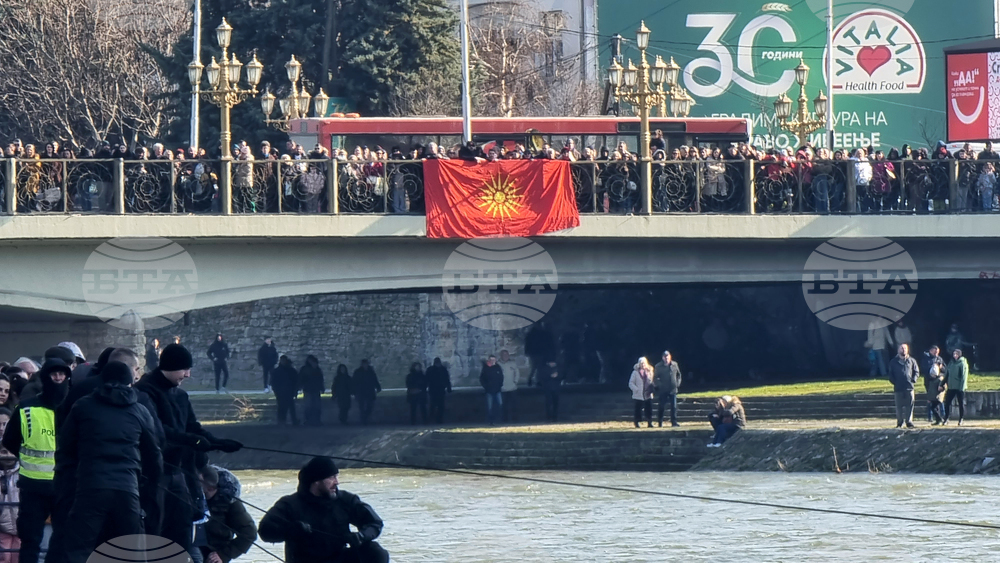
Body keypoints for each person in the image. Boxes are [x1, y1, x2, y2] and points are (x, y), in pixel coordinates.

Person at [134, 344, 243, 554]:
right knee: (155, 526)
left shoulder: (181, 396)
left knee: (182, 525)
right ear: (170, 367)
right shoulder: (145, 392)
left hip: (180, 470)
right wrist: (193, 440)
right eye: (184, 369)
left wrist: (217, 442)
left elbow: (193, 427)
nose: (188, 374)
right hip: (155, 472)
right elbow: (157, 430)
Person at [56, 362, 163, 563]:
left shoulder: (83, 406)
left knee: (78, 550)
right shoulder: (140, 411)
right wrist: (149, 487)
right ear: (130, 383)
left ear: (102, 380)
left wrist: (66, 484)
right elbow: (154, 455)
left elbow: (65, 449)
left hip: (90, 487)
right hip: (128, 489)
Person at [1, 359, 70, 563]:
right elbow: (10, 440)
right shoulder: (26, 408)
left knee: (61, 540)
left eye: (62, 374)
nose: (58, 378)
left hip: (62, 486)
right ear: (46, 376)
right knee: (31, 541)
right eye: (54, 374)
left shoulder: (73, 407)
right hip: (35, 486)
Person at [259, 456, 389, 563]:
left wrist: (361, 536)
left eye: (336, 477)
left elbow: (375, 523)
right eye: (331, 478)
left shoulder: (345, 500)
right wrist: (290, 530)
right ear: (316, 481)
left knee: (374, 551)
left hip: (339, 558)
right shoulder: (290, 504)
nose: (336, 482)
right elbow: (264, 530)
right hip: (305, 560)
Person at [200, 466, 257, 563]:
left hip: (212, 555)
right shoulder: (186, 493)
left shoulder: (229, 501)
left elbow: (249, 533)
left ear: (213, 487)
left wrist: (223, 554)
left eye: (207, 490)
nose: (203, 492)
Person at [0, 409, 19, 563]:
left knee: (19, 557)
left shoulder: (23, 471)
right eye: (2, 451)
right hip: (2, 527)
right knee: (4, 557)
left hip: (22, 525)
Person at [887, 343, 920, 429]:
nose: (903, 350)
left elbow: (916, 372)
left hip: (909, 387)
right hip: (898, 388)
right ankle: (900, 422)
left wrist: (913, 380)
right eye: (902, 348)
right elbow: (890, 374)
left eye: (905, 348)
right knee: (899, 407)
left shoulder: (912, 361)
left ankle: (909, 422)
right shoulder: (893, 362)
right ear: (898, 350)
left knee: (910, 406)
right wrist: (895, 382)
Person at [653, 350, 682, 428]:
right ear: (662, 358)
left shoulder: (674, 364)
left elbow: (679, 375)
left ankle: (674, 422)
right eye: (665, 357)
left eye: (668, 357)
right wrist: (659, 385)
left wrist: (677, 383)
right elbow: (655, 378)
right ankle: (660, 422)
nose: (666, 358)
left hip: (673, 389)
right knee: (661, 406)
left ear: (670, 357)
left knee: (674, 406)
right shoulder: (658, 366)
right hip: (663, 390)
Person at [943, 349, 969, 426]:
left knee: (960, 403)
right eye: (954, 354)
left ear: (959, 355)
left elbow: (964, 376)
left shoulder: (962, 363)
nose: (955, 355)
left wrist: (961, 387)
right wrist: (942, 384)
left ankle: (961, 419)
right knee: (947, 402)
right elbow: (946, 374)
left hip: (959, 387)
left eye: (956, 354)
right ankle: (946, 418)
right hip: (951, 387)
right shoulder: (951, 363)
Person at [272, 356, 300, 426]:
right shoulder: (278, 371)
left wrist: (295, 390)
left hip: (289, 391)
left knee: (290, 407)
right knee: (282, 407)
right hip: (281, 392)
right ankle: (282, 421)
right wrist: (276, 391)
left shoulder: (290, 371)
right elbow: (274, 382)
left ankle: (292, 420)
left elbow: (296, 381)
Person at [524, 322, 554, 386]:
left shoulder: (531, 333)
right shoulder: (541, 333)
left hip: (534, 352)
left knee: (534, 367)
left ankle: (532, 380)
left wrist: (527, 351)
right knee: (538, 367)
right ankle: (537, 380)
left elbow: (527, 343)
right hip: (538, 352)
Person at [352, 360, 381, 425]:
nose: (365, 365)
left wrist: (378, 387)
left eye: (366, 364)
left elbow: (374, 380)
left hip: (369, 391)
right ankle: (363, 420)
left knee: (369, 407)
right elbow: (354, 382)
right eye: (364, 364)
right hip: (361, 392)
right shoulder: (358, 372)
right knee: (362, 407)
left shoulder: (370, 371)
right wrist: (354, 391)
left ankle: (364, 418)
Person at [628, 357, 654, 429]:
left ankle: (649, 422)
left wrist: (652, 388)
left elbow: (652, 380)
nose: (643, 365)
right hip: (638, 394)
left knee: (649, 409)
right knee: (638, 409)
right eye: (641, 363)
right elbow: (631, 383)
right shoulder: (635, 372)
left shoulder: (650, 371)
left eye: (644, 363)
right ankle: (637, 422)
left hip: (648, 393)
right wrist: (636, 389)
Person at [299, 356, 324, 427]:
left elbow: (320, 379)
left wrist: (321, 387)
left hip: (314, 389)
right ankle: (309, 420)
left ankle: (316, 420)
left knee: (316, 405)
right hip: (308, 389)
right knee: (309, 405)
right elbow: (301, 378)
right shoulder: (306, 369)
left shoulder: (316, 369)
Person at [425, 358, 451, 424]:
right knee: (439, 406)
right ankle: (438, 419)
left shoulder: (430, 369)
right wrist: (449, 388)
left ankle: (433, 419)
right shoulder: (443, 370)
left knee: (435, 405)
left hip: (434, 389)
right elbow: (447, 379)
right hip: (439, 389)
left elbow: (426, 380)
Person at [480, 355, 504, 426]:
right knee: (489, 407)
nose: (492, 361)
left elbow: (501, 377)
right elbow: (482, 379)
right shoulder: (486, 368)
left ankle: (498, 420)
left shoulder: (498, 367)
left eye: (494, 360)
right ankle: (491, 421)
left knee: (500, 405)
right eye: (491, 360)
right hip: (489, 390)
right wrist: (486, 387)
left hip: (497, 390)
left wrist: (500, 385)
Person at [924, 353, 947, 425]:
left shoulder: (940, 379)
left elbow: (944, 387)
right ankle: (938, 420)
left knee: (934, 408)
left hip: (938, 397)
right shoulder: (931, 380)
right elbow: (930, 390)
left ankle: (940, 419)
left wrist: (941, 388)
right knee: (933, 408)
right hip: (933, 397)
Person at [498, 350, 520, 423]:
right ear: (501, 355)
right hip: (502, 388)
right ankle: (504, 420)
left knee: (514, 405)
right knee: (503, 406)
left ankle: (515, 420)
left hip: (512, 388)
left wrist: (515, 382)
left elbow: (517, 373)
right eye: (504, 355)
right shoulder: (498, 364)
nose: (505, 356)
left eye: (507, 354)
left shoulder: (513, 363)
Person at [539, 358, 562, 422]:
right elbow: (542, 377)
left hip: (556, 388)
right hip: (548, 388)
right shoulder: (544, 369)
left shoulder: (558, 368)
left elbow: (562, 375)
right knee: (548, 403)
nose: (553, 364)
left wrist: (557, 376)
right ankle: (548, 416)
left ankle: (555, 417)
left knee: (556, 403)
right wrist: (550, 376)